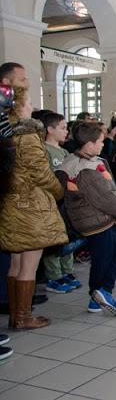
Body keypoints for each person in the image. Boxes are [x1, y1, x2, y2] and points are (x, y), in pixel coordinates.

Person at [0, 86, 67, 329]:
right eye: (28, 102)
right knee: (29, 262)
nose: (32, 107)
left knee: (15, 261)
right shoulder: (26, 135)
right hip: (30, 205)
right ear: (17, 107)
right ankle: (23, 317)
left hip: (11, 201)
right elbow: (40, 172)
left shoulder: (5, 131)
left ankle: (15, 314)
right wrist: (59, 190)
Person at [57, 121, 116, 316]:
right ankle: (97, 296)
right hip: (96, 220)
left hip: (96, 218)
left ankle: (103, 292)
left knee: (115, 254)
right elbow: (104, 197)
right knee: (103, 259)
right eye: (101, 141)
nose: (103, 144)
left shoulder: (78, 159)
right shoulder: (85, 167)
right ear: (89, 144)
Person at [41, 112, 84, 294]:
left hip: (67, 201)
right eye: (62, 128)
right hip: (52, 202)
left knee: (68, 236)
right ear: (50, 129)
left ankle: (67, 271)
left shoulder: (65, 151)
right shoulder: (44, 151)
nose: (66, 132)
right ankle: (54, 275)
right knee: (54, 238)